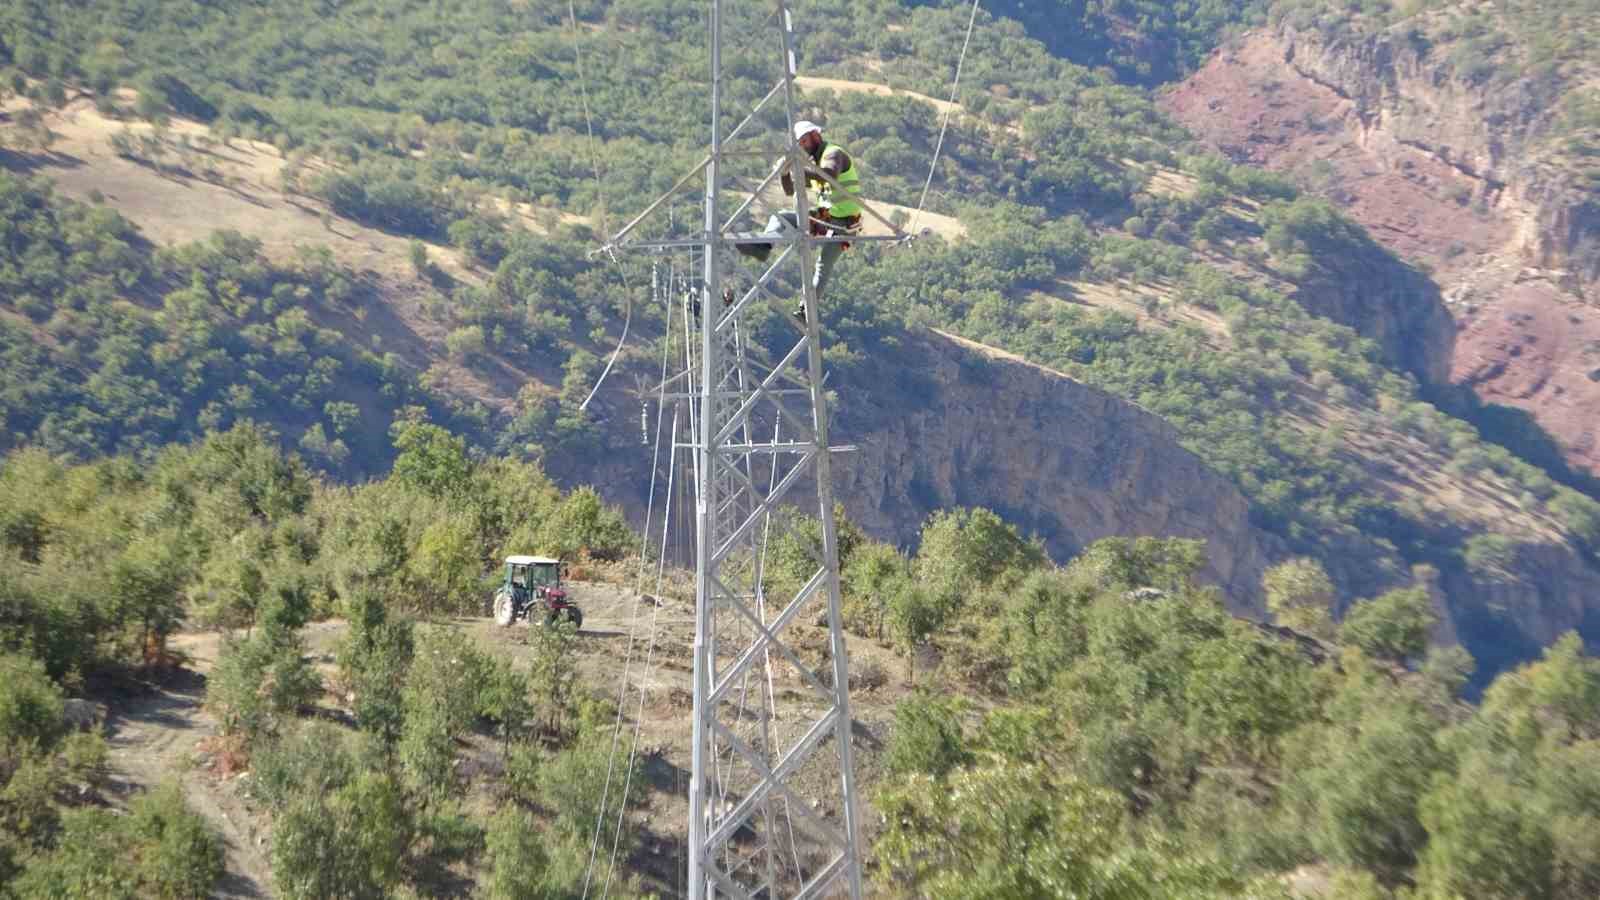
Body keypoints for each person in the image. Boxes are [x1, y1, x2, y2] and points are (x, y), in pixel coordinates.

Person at [736, 120, 862, 310]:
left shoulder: (833, 153)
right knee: (783, 218)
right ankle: (764, 245)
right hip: (826, 218)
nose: (803, 146)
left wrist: (799, 170)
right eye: (800, 143)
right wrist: (785, 172)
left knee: (823, 266)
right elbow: (791, 190)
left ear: (815, 135)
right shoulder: (814, 164)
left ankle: (806, 308)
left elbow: (829, 174)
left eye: (804, 141)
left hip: (844, 223)